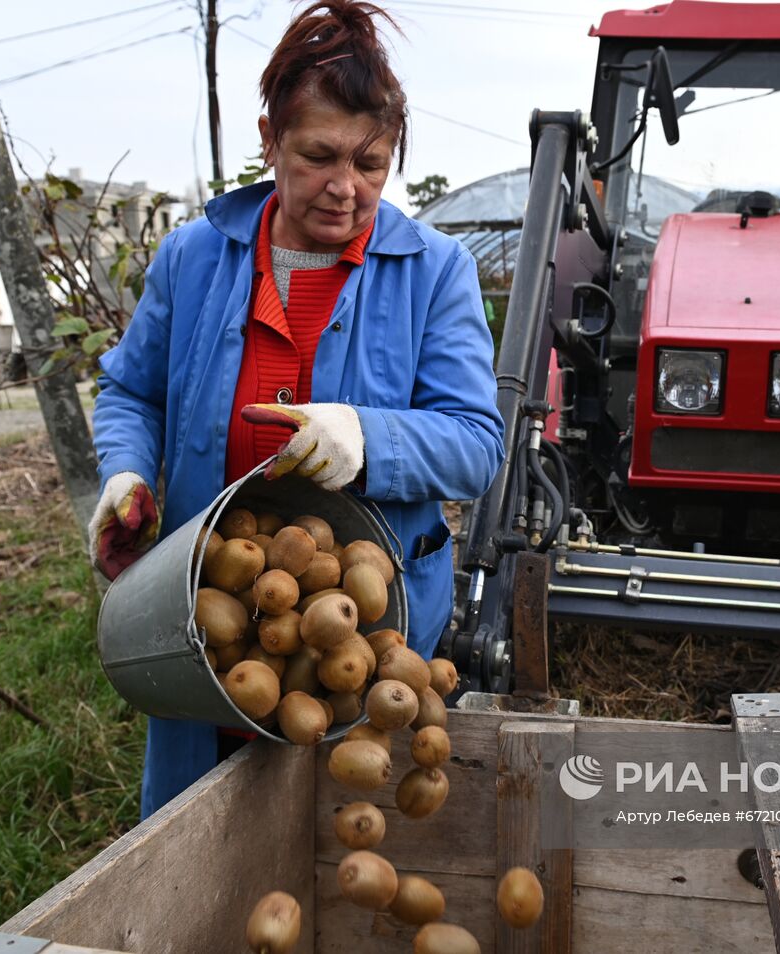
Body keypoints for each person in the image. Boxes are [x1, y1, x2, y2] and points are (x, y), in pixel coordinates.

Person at [86, 0, 504, 819]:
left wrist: (366, 439)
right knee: (194, 831)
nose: (346, 189)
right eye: (317, 155)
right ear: (270, 140)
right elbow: (131, 388)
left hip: (364, 636)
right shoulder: (195, 257)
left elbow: (476, 443)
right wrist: (126, 469)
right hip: (208, 611)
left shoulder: (435, 272)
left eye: (372, 163)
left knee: (342, 832)